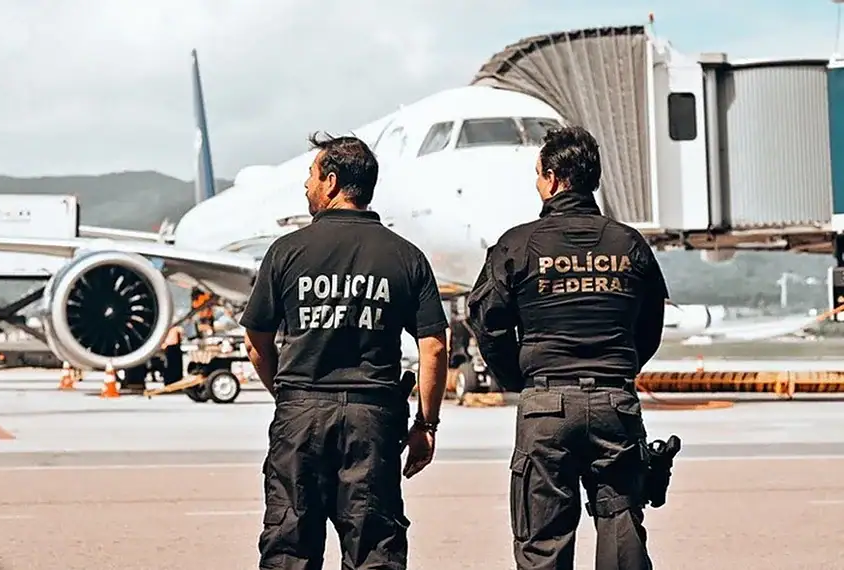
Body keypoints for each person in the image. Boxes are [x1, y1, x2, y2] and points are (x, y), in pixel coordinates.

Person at [239, 132, 450, 570]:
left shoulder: (286, 252)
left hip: (301, 413)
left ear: (331, 182)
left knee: (289, 546)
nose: (306, 186)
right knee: (374, 549)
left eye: (311, 177)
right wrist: (426, 425)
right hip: (372, 420)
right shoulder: (405, 256)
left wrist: (287, 393)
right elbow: (433, 346)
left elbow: (256, 341)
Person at [465, 126, 668, 570]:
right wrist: (618, 368)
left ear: (554, 179)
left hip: (546, 405)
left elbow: (486, 323)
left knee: (544, 538)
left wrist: (521, 382)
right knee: (622, 528)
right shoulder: (628, 243)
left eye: (539, 175)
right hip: (616, 403)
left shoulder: (517, 244)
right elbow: (651, 325)